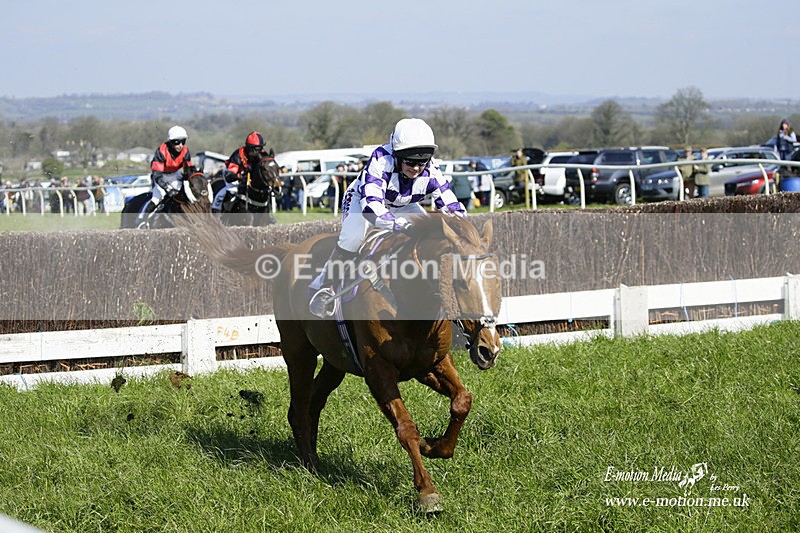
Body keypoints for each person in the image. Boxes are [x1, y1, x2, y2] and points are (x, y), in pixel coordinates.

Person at [308, 117, 467, 317]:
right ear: (397, 155)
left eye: (422, 162)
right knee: (353, 238)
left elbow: (450, 204)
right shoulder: (380, 160)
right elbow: (372, 207)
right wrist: (399, 225)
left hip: (404, 204)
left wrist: (464, 229)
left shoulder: (432, 169)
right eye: (410, 162)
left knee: (428, 236)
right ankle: (323, 286)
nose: (417, 168)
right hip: (363, 201)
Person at [137, 125, 193, 226]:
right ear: (170, 142)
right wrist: (168, 189)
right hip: (160, 176)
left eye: (183, 142)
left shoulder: (185, 151)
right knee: (157, 197)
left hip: (175, 174)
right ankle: (142, 220)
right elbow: (157, 175)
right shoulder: (162, 151)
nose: (180, 145)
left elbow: (188, 170)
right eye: (177, 142)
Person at [211, 131, 267, 212]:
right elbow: (229, 176)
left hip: (249, 176)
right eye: (258, 149)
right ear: (250, 148)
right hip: (234, 176)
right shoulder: (237, 155)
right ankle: (223, 211)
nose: (260, 152)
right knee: (233, 191)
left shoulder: (261, 153)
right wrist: (240, 176)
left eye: (261, 148)